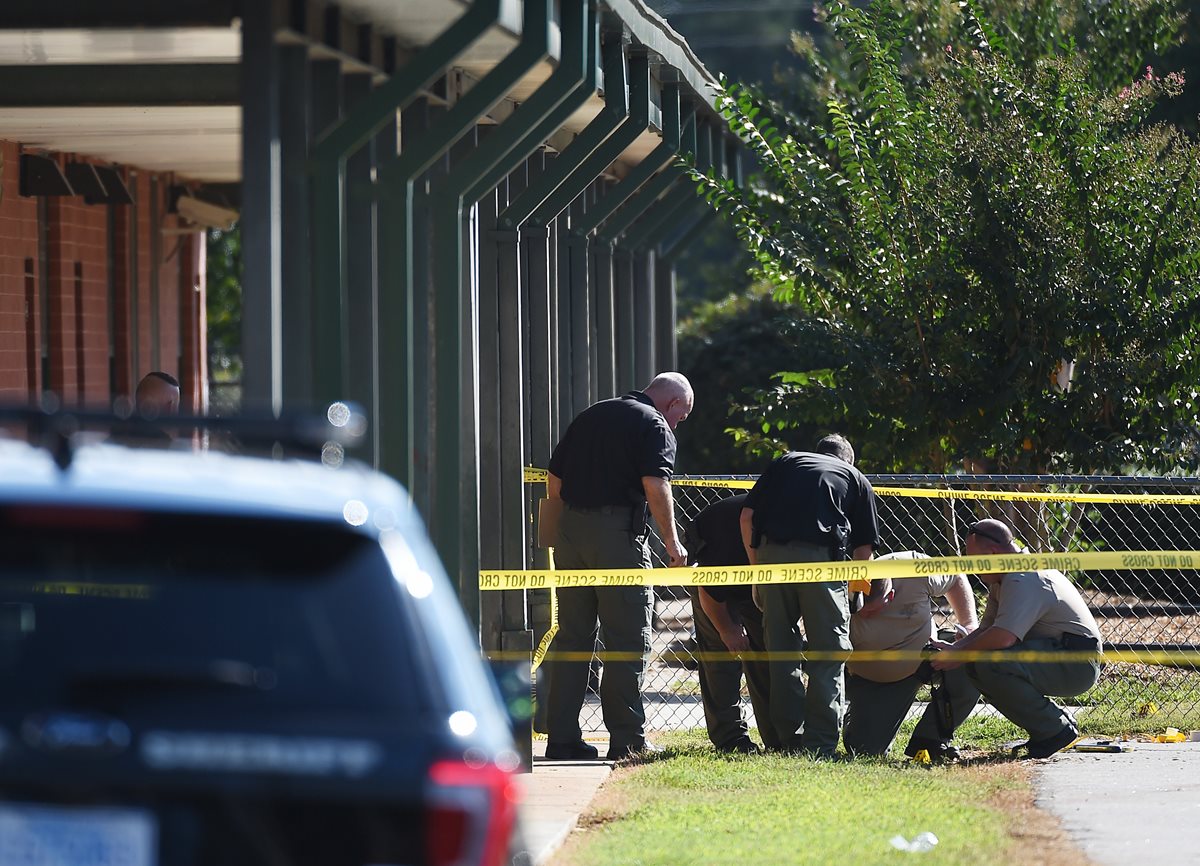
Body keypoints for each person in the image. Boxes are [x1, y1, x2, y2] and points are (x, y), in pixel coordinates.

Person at [543, 372, 694, 761]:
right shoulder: (655, 424)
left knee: (573, 638)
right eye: (682, 415)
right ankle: (628, 740)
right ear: (673, 402)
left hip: (570, 533)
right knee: (626, 638)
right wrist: (672, 542)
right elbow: (655, 483)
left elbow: (554, 479)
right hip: (616, 537)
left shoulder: (592, 414)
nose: (678, 423)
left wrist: (559, 531)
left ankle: (561, 739)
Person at [740, 433, 887, 757]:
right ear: (847, 460)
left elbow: (747, 517)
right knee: (828, 653)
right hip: (821, 564)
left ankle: (789, 740)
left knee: (781, 651)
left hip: (770, 559)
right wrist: (853, 593)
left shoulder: (786, 461)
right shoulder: (855, 478)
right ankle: (820, 743)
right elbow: (864, 550)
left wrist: (757, 575)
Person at [930, 518, 1103, 758]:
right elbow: (987, 630)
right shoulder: (1006, 577)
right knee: (979, 661)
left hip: (1077, 663)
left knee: (988, 664)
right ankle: (1048, 730)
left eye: (972, 560)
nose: (971, 568)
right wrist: (955, 648)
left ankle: (1054, 729)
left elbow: (1002, 638)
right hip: (1059, 654)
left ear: (992, 553)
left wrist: (959, 654)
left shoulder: (1023, 577)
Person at [842, 551, 980, 760]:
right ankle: (854, 719)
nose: (862, 614)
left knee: (973, 659)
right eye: (858, 608)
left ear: (890, 596)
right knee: (865, 751)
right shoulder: (841, 586)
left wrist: (970, 626)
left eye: (870, 612)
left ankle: (931, 740)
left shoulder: (912, 567)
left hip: (928, 653)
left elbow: (955, 577)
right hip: (876, 679)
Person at [684, 493, 779, 754]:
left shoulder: (793, 529)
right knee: (720, 655)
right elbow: (710, 589)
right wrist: (728, 630)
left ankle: (777, 737)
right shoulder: (726, 537)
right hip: (715, 575)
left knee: (767, 653)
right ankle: (730, 739)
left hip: (756, 580)